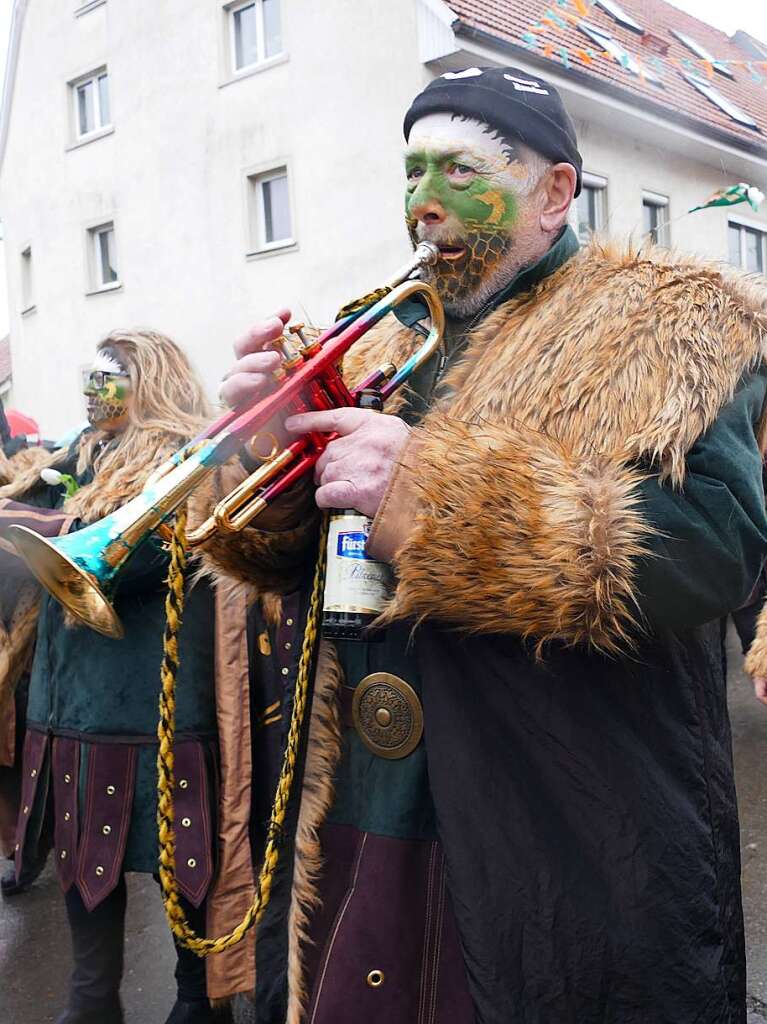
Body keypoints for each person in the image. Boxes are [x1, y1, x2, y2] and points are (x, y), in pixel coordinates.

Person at [204, 67, 767, 1023]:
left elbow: (718, 549)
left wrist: (441, 499)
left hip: (568, 817)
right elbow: (300, 557)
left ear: (555, 192)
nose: (424, 204)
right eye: (413, 170)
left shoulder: (684, 321)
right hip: (372, 805)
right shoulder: (380, 336)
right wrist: (276, 450)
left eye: (461, 172)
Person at [0, 331, 229, 1024]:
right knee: (79, 859)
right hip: (69, 696)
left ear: (149, 380)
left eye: (111, 378)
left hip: (154, 694)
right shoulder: (78, 454)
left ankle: (198, 998)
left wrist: (41, 530)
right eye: (91, 379)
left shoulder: (190, 456)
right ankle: (92, 999)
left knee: (184, 859)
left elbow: (140, 559)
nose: (94, 393)